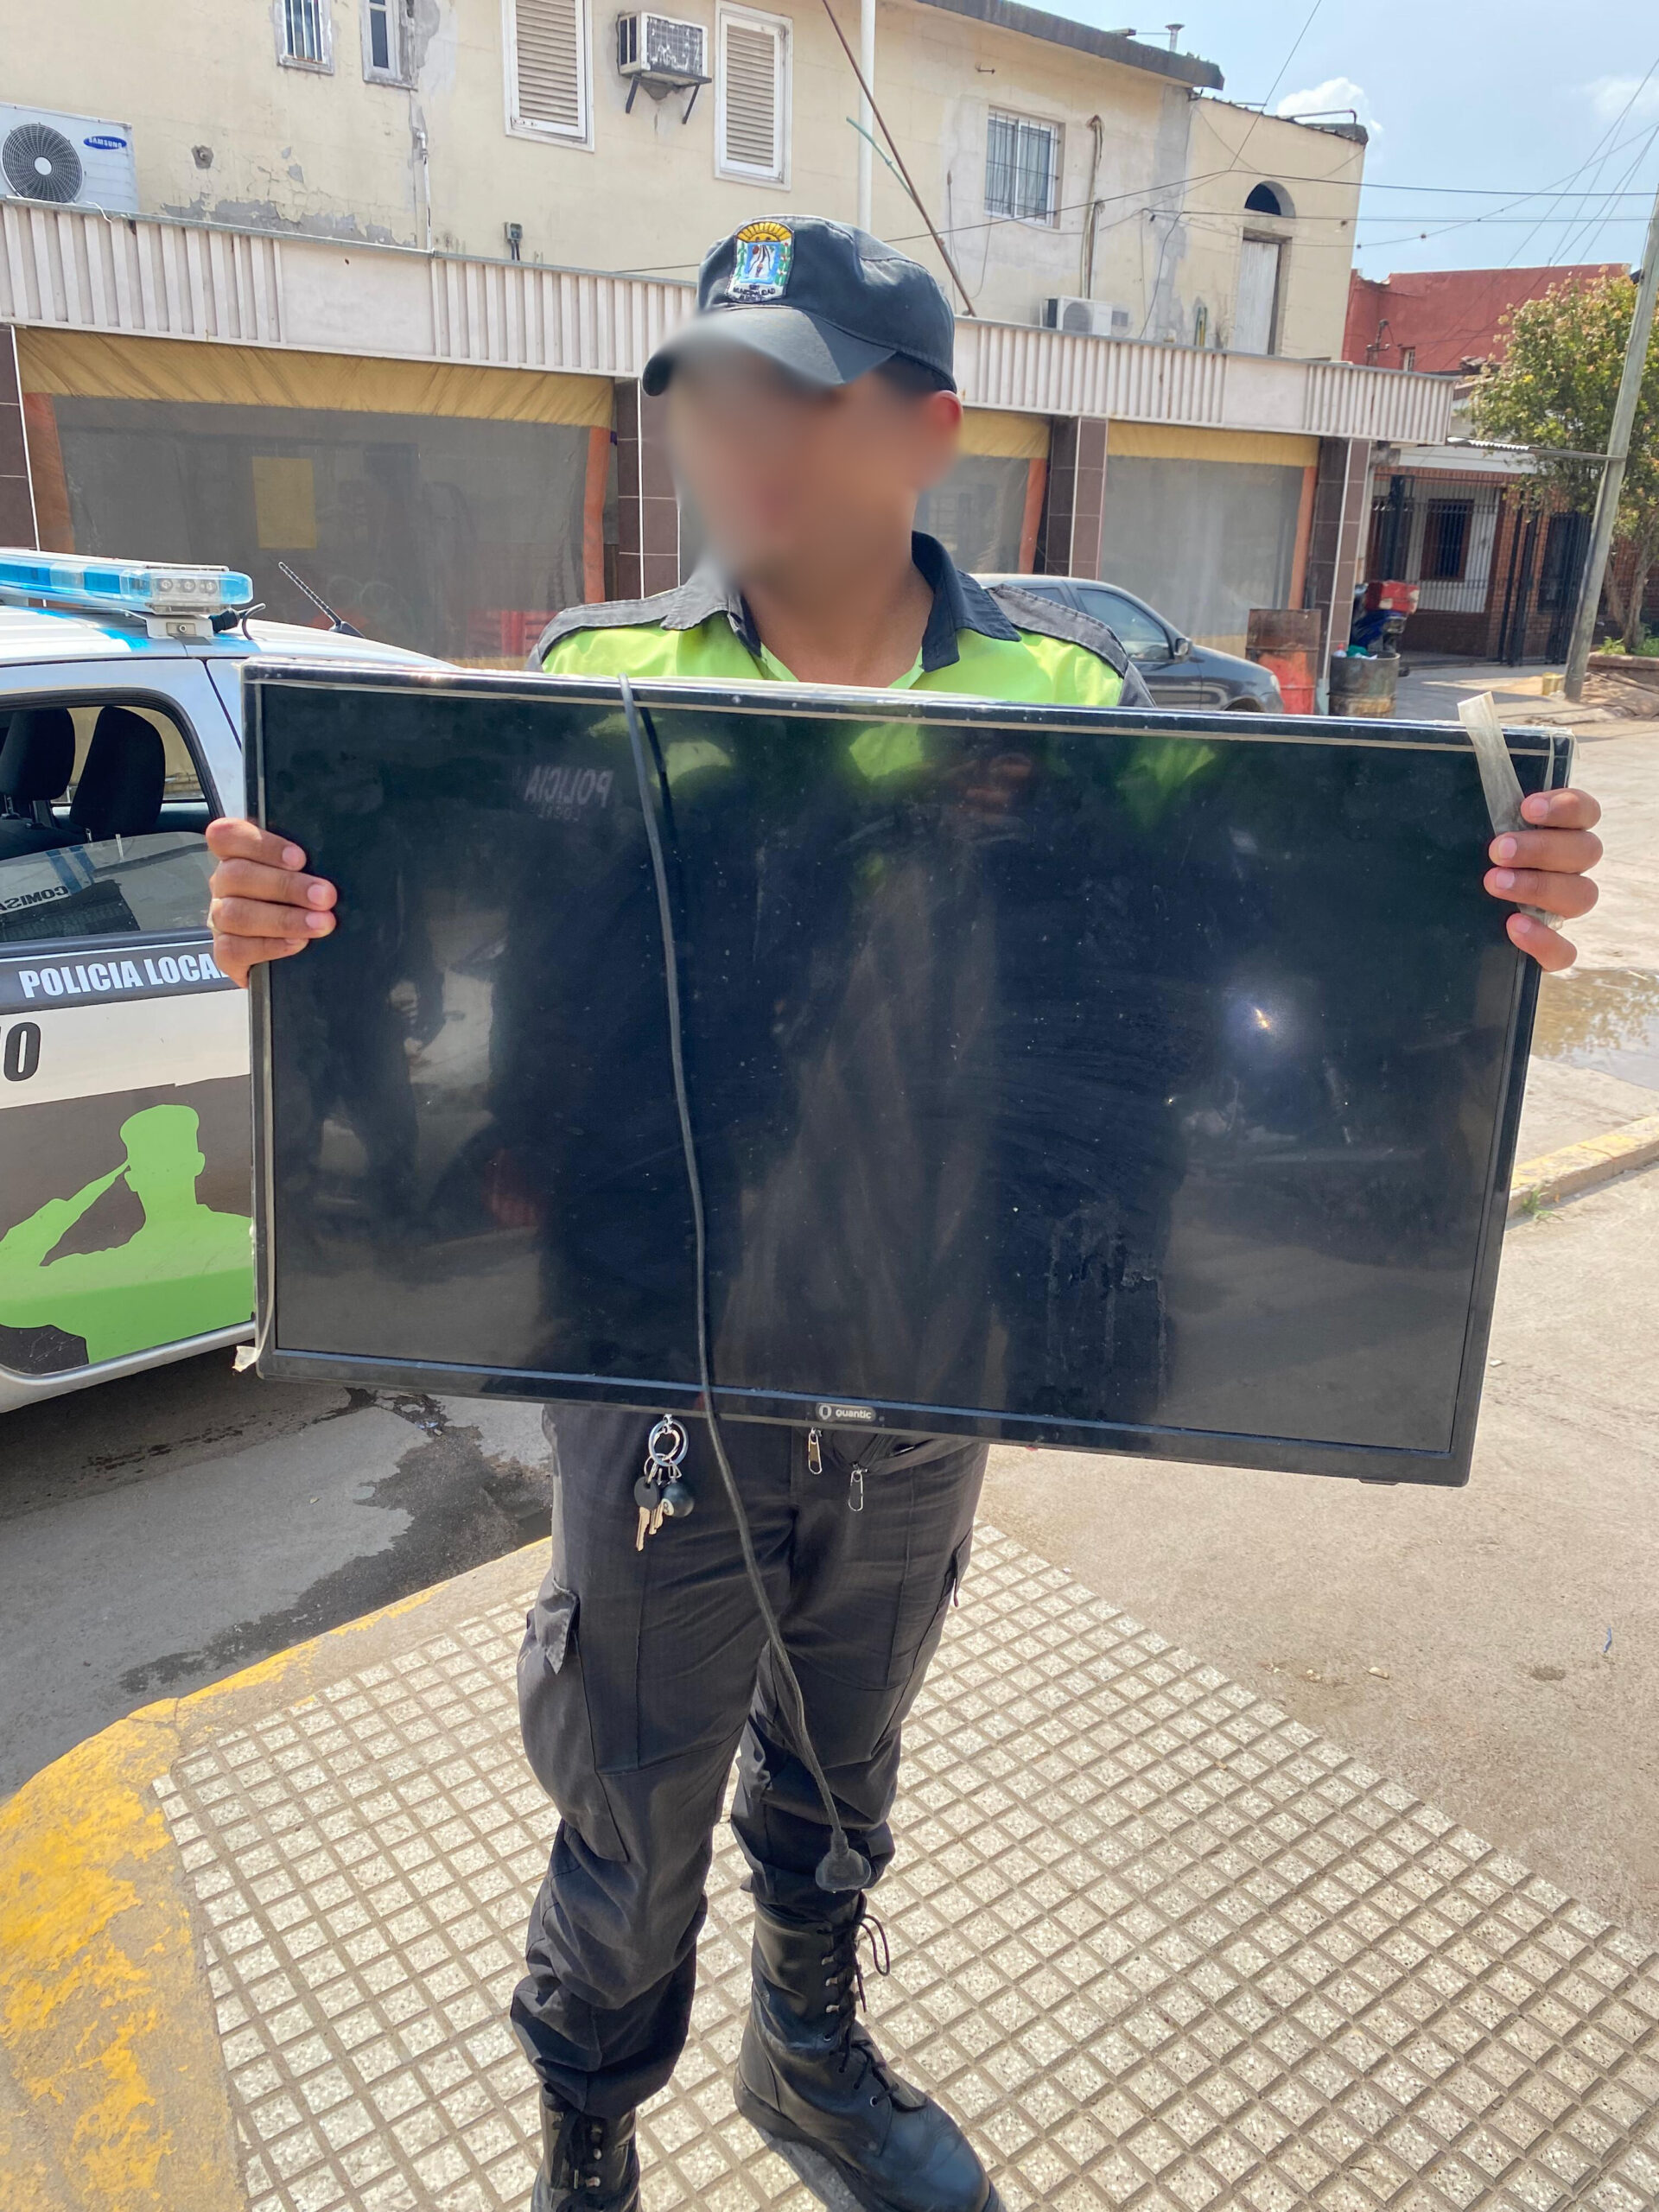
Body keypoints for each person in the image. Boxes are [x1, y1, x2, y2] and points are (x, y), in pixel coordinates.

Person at [206, 216, 1604, 2212]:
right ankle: (588, 2124)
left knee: (842, 1768)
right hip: (668, 1373)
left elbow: (1252, 942)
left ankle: (808, 2045)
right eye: (712, 396)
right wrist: (289, 922)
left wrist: (1476, 897)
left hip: (937, 1352)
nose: (744, 438)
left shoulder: (1071, 697)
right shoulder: (608, 678)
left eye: (802, 393)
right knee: (629, 1800)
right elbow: (475, 929)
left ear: (928, 430)